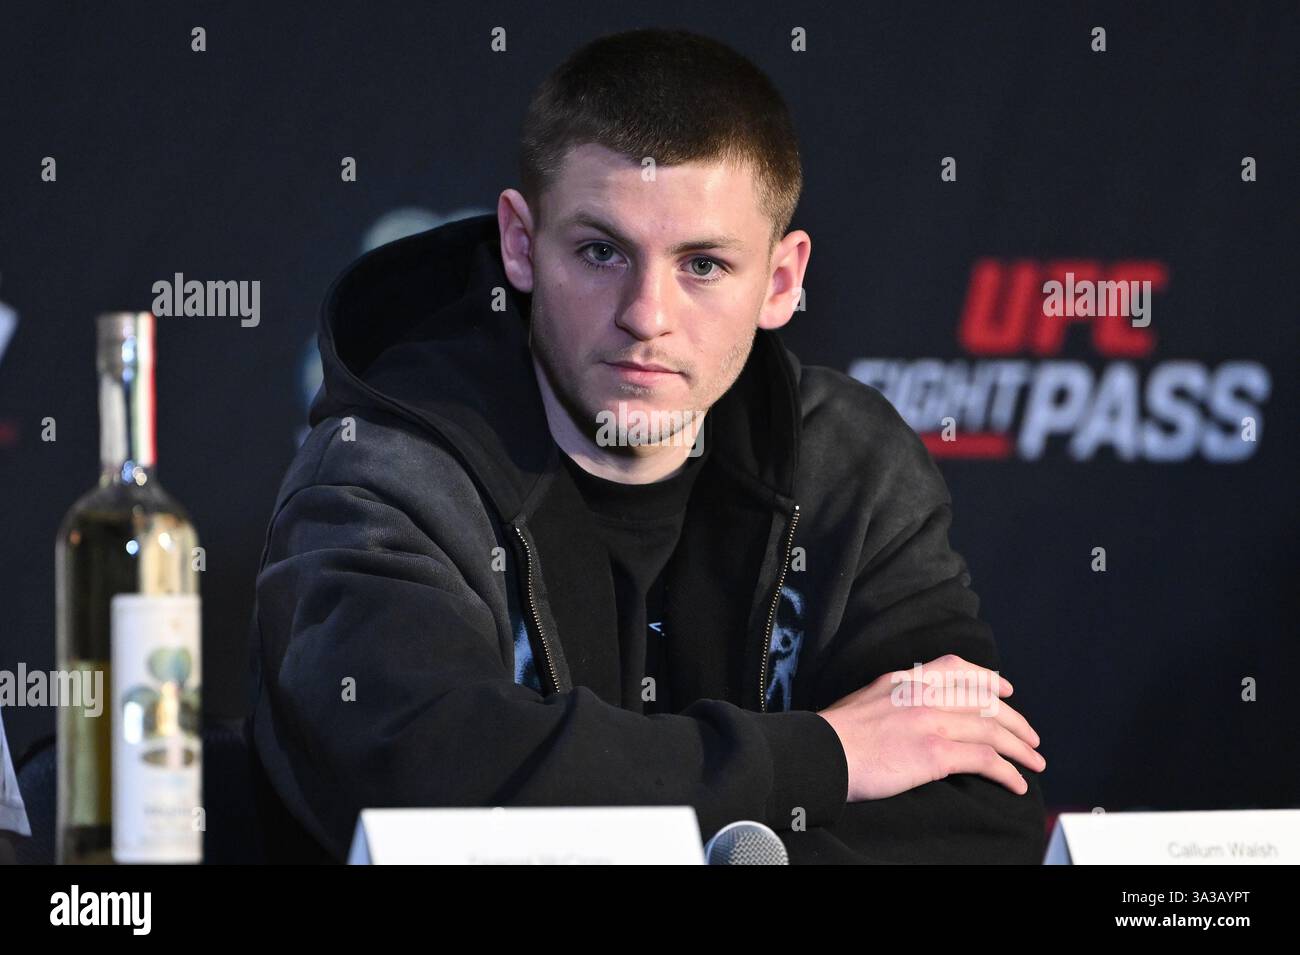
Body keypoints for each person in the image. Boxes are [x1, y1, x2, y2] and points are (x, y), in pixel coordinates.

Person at [247, 27, 1046, 864]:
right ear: (521, 245)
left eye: (702, 265)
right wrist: (825, 756)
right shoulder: (384, 469)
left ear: (781, 281)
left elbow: (978, 817)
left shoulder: (852, 465)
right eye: (601, 252)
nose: (646, 314)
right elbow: (423, 781)